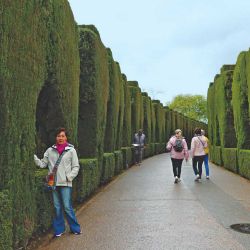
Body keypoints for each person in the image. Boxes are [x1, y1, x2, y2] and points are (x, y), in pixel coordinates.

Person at [34, 127, 81, 237]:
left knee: (67, 207)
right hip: (53, 183)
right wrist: (34, 157)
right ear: (56, 137)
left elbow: (76, 167)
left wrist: (68, 177)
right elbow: (42, 164)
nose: (60, 138)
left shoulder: (71, 150)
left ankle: (75, 228)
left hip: (65, 183)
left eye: (63, 136)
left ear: (66, 137)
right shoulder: (50, 150)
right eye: (59, 136)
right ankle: (60, 229)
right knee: (57, 207)